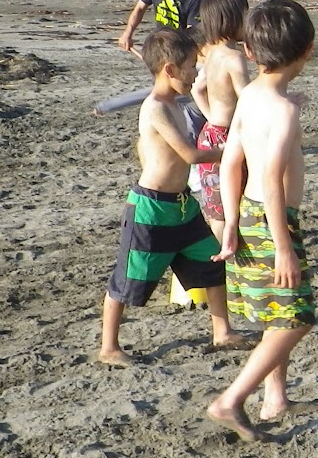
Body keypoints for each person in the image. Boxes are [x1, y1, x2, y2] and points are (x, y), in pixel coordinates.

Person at [206, 0, 318, 442]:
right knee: (298, 317)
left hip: (249, 215)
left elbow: (231, 161)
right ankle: (231, 400)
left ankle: (276, 398)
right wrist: (284, 248)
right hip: (274, 221)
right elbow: (271, 179)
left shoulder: (252, 95)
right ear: (308, 49)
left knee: (277, 313)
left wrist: (231, 222)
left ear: (250, 52)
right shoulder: (283, 110)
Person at [98, 28, 245, 366]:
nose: (194, 74)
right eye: (191, 67)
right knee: (127, 279)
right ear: (170, 69)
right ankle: (109, 347)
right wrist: (232, 151)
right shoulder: (156, 108)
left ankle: (222, 332)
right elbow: (190, 155)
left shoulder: (174, 104)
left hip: (182, 207)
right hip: (151, 210)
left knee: (211, 264)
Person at [190, 0, 251, 238]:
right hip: (228, 136)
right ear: (232, 19)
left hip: (209, 134)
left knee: (216, 205)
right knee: (237, 196)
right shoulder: (234, 58)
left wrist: (211, 117)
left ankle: (220, 248)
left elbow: (197, 89)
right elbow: (247, 98)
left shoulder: (211, 54)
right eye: (245, 15)